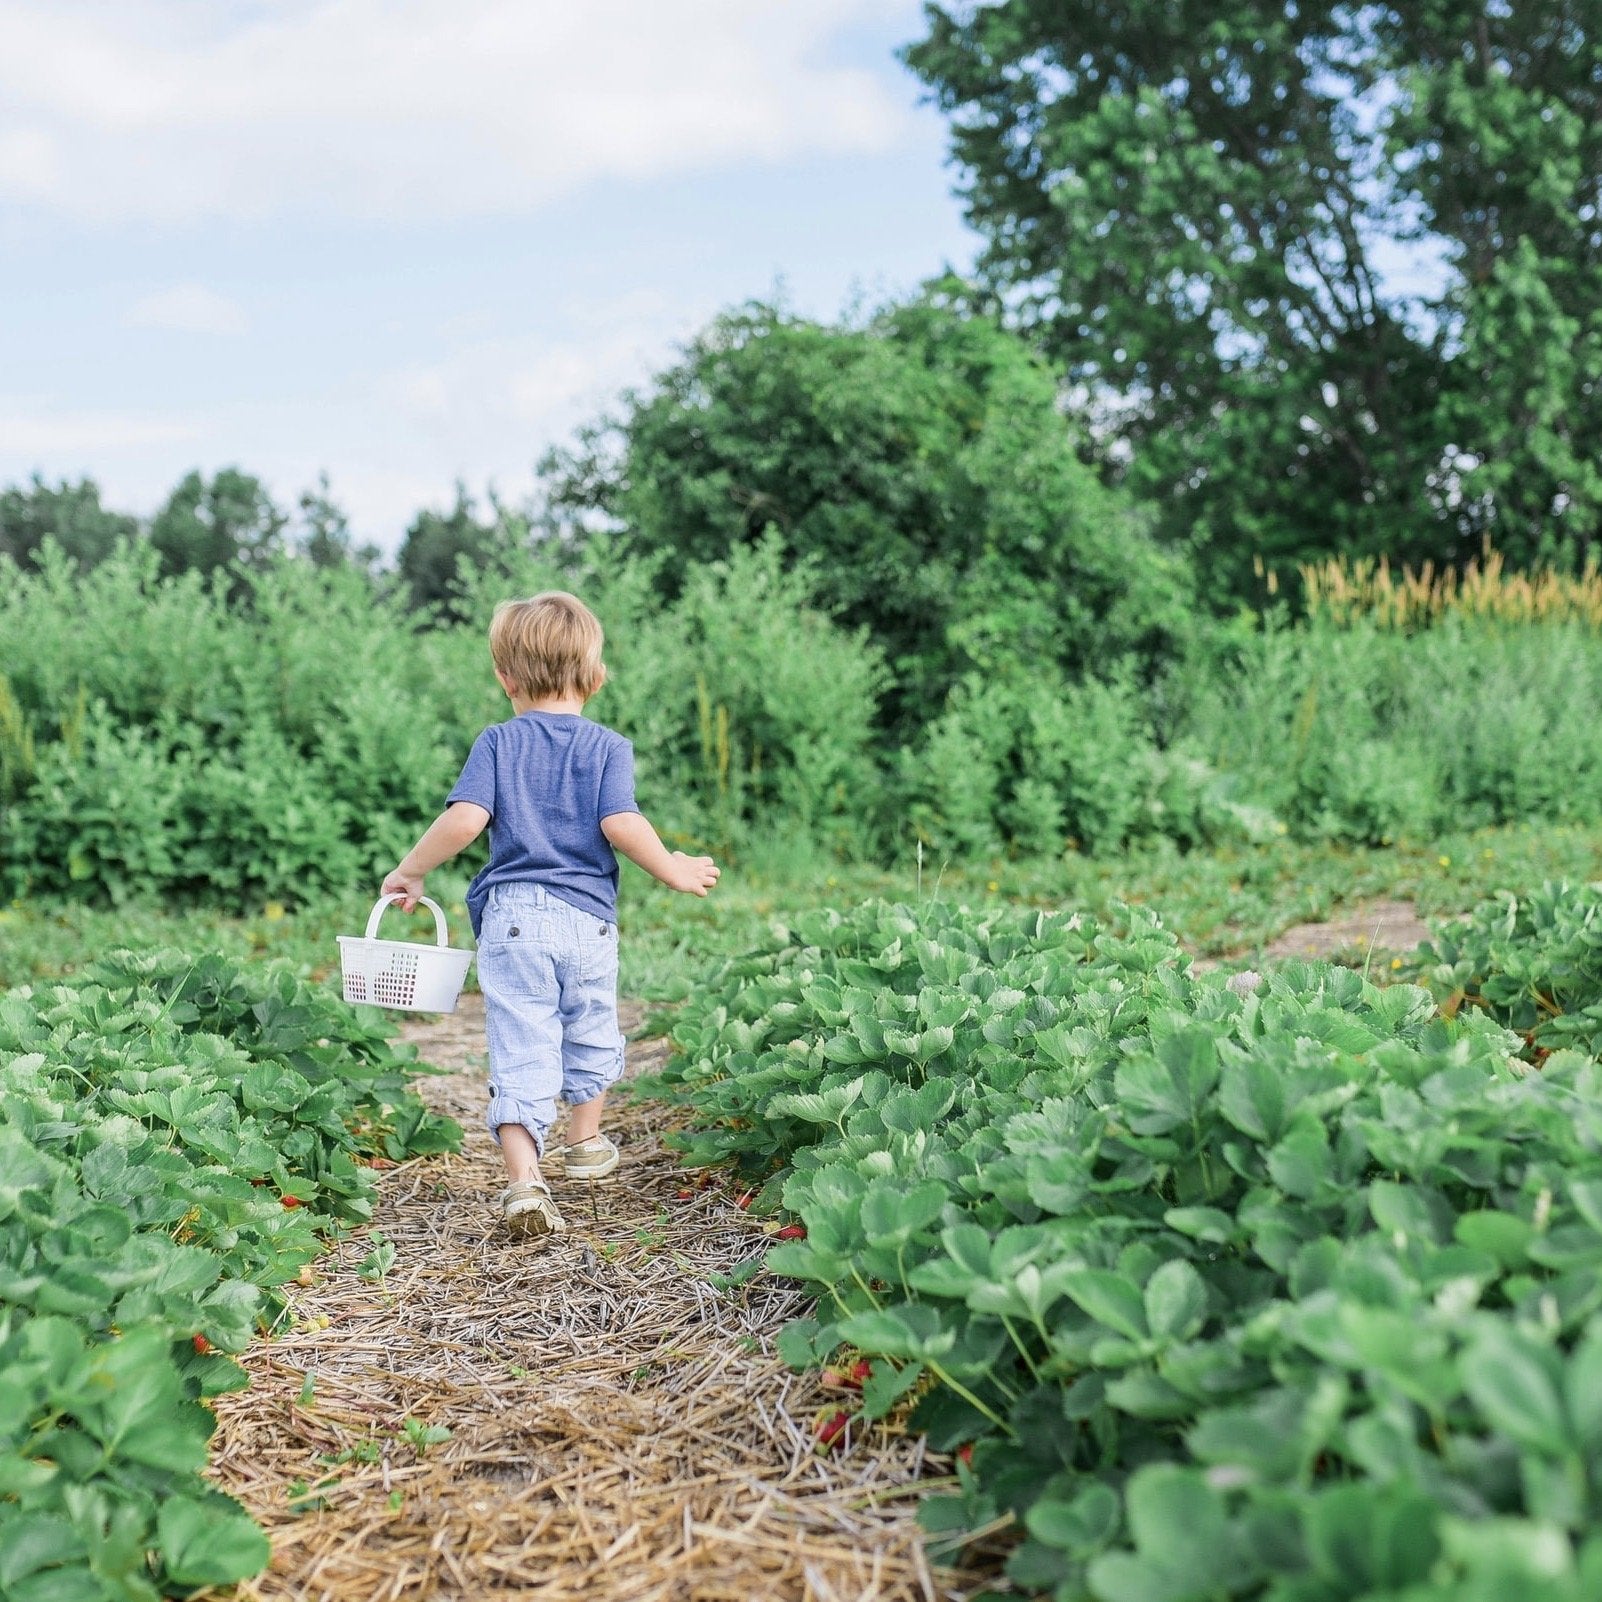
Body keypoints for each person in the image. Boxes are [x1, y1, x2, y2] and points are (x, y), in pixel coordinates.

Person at [381, 592, 718, 1239]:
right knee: (591, 1024)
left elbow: (466, 820)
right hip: (587, 919)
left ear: (505, 678)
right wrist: (672, 868)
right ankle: (584, 1141)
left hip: (513, 919)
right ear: (596, 676)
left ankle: (525, 1181)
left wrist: (412, 868)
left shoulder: (497, 742)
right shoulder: (608, 746)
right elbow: (621, 823)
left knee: (521, 1043)